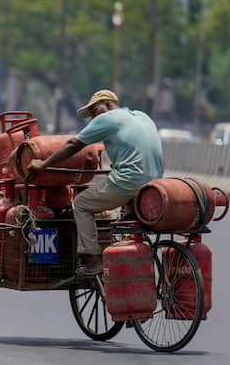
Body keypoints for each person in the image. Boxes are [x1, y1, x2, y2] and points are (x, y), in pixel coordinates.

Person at [27, 89, 163, 276]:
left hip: (129, 181)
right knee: (123, 209)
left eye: (94, 110)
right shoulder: (142, 116)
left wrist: (44, 164)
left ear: (107, 104)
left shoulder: (107, 119)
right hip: (154, 184)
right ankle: (130, 242)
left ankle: (92, 259)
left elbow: (73, 145)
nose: (93, 117)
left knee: (81, 204)